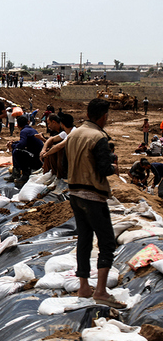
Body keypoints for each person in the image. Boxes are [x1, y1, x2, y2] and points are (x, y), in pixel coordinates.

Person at [65, 98, 124, 308]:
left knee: (84, 238)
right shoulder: (98, 137)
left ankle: (83, 287)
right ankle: (100, 291)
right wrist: (114, 168)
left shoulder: (75, 133)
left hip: (74, 193)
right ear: (103, 116)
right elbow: (104, 169)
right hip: (93, 195)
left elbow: (65, 165)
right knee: (107, 242)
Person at [5, 116, 44, 187]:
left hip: (35, 159)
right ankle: (16, 172)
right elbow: (23, 142)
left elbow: (22, 145)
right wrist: (14, 143)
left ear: (18, 125)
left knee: (17, 151)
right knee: (16, 149)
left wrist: (12, 146)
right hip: (38, 157)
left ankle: (25, 174)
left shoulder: (24, 131)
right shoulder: (31, 130)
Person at [39, 113, 76, 178]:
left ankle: (60, 176)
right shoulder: (66, 132)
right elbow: (52, 139)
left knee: (58, 150)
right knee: (52, 149)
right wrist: (43, 150)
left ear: (62, 124)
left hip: (74, 158)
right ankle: (54, 174)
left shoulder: (73, 133)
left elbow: (59, 146)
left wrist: (46, 154)